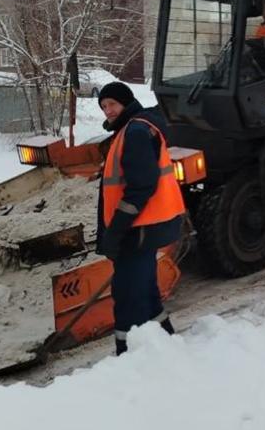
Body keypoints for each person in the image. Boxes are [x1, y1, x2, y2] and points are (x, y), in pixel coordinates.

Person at [96, 82, 185, 355]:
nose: (108, 111)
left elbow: (140, 186)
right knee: (145, 290)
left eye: (112, 104)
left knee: (127, 294)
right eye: (103, 106)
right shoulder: (134, 128)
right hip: (146, 227)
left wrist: (116, 231)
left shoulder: (134, 132)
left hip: (136, 229)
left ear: (126, 102)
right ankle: (167, 339)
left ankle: (126, 355)